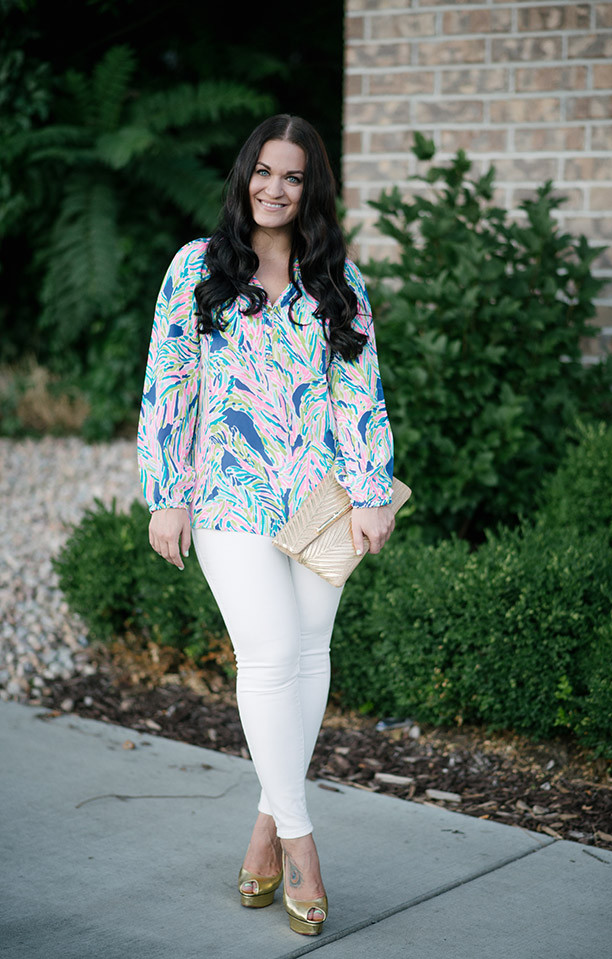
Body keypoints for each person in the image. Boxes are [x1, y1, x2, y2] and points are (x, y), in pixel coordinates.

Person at [137, 114, 395, 936]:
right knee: (272, 654)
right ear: (245, 174)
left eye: (292, 176)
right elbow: (168, 383)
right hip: (228, 500)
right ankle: (302, 843)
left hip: (320, 503)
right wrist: (165, 493)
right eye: (264, 171)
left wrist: (373, 491)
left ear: (310, 187)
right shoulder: (196, 269)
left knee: (311, 656)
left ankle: (262, 827)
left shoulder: (336, 280)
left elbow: (360, 392)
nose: (274, 188)